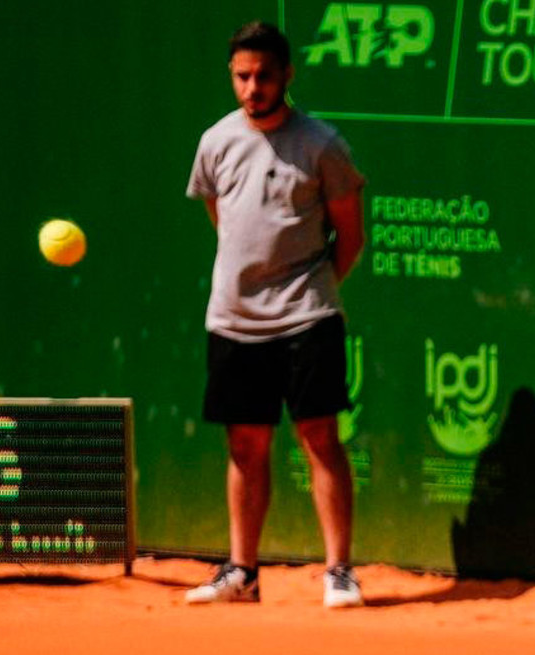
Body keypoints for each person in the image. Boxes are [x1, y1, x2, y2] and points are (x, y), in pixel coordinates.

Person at [184, 21, 367, 608]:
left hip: (307, 314)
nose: (253, 86)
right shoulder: (215, 141)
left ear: (287, 74)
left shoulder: (322, 144)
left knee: (320, 437)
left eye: (264, 74)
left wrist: (309, 291)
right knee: (245, 444)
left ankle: (339, 570)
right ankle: (243, 571)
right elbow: (222, 218)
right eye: (243, 75)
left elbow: (352, 233)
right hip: (233, 318)